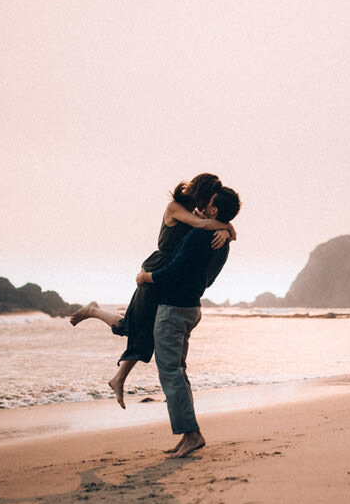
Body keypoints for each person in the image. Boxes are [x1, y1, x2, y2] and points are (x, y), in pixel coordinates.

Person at [70, 174, 236, 408]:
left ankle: (120, 378)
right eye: (210, 197)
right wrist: (228, 228)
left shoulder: (198, 213)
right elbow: (202, 225)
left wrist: (227, 230)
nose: (210, 204)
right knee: (135, 328)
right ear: (202, 193)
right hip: (156, 271)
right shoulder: (176, 208)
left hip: (167, 276)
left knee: (146, 331)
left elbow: (205, 225)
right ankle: (95, 313)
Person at [137, 186, 241, 458]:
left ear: (214, 210)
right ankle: (187, 435)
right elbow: (206, 278)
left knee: (170, 372)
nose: (204, 206)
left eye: (209, 204)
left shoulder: (198, 236)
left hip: (173, 308)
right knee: (178, 372)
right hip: (192, 308)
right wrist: (229, 229)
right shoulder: (222, 241)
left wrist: (146, 278)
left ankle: (192, 435)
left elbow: (174, 271)